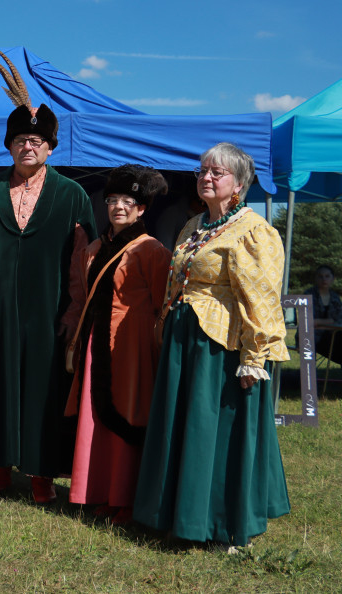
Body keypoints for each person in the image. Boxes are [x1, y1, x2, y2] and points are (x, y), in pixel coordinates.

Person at [0, 48, 96, 503]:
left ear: (50, 147)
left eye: (36, 141)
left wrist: (75, 311)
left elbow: (81, 259)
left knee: (43, 391)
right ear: (9, 145)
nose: (28, 146)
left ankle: (39, 474)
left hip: (47, 311)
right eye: (20, 140)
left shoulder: (71, 195)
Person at [134, 142, 291, 548]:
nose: (205, 177)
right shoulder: (194, 226)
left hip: (222, 346)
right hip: (185, 339)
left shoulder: (255, 231)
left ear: (237, 184)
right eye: (202, 170)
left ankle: (224, 525)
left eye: (216, 173)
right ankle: (181, 517)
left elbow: (262, 297)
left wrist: (254, 357)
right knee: (184, 425)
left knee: (216, 429)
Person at [60, 164, 171, 523]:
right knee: (96, 417)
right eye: (112, 200)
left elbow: (162, 305)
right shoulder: (93, 248)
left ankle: (125, 496)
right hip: (96, 342)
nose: (118, 206)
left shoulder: (153, 250)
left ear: (142, 209)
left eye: (128, 201)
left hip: (133, 347)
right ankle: (96, 491)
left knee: (128, 412)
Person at [304, 265, 342, 363]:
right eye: (320, 276)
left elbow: (338, 320)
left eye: (327, 276)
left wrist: (319, 322)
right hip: (311, 337)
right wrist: (329, 322)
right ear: (315, 278)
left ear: (333, 279)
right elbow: (308, 321)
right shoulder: (308, 295)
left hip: (333, 335)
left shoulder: (335, 297)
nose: (324, 279)